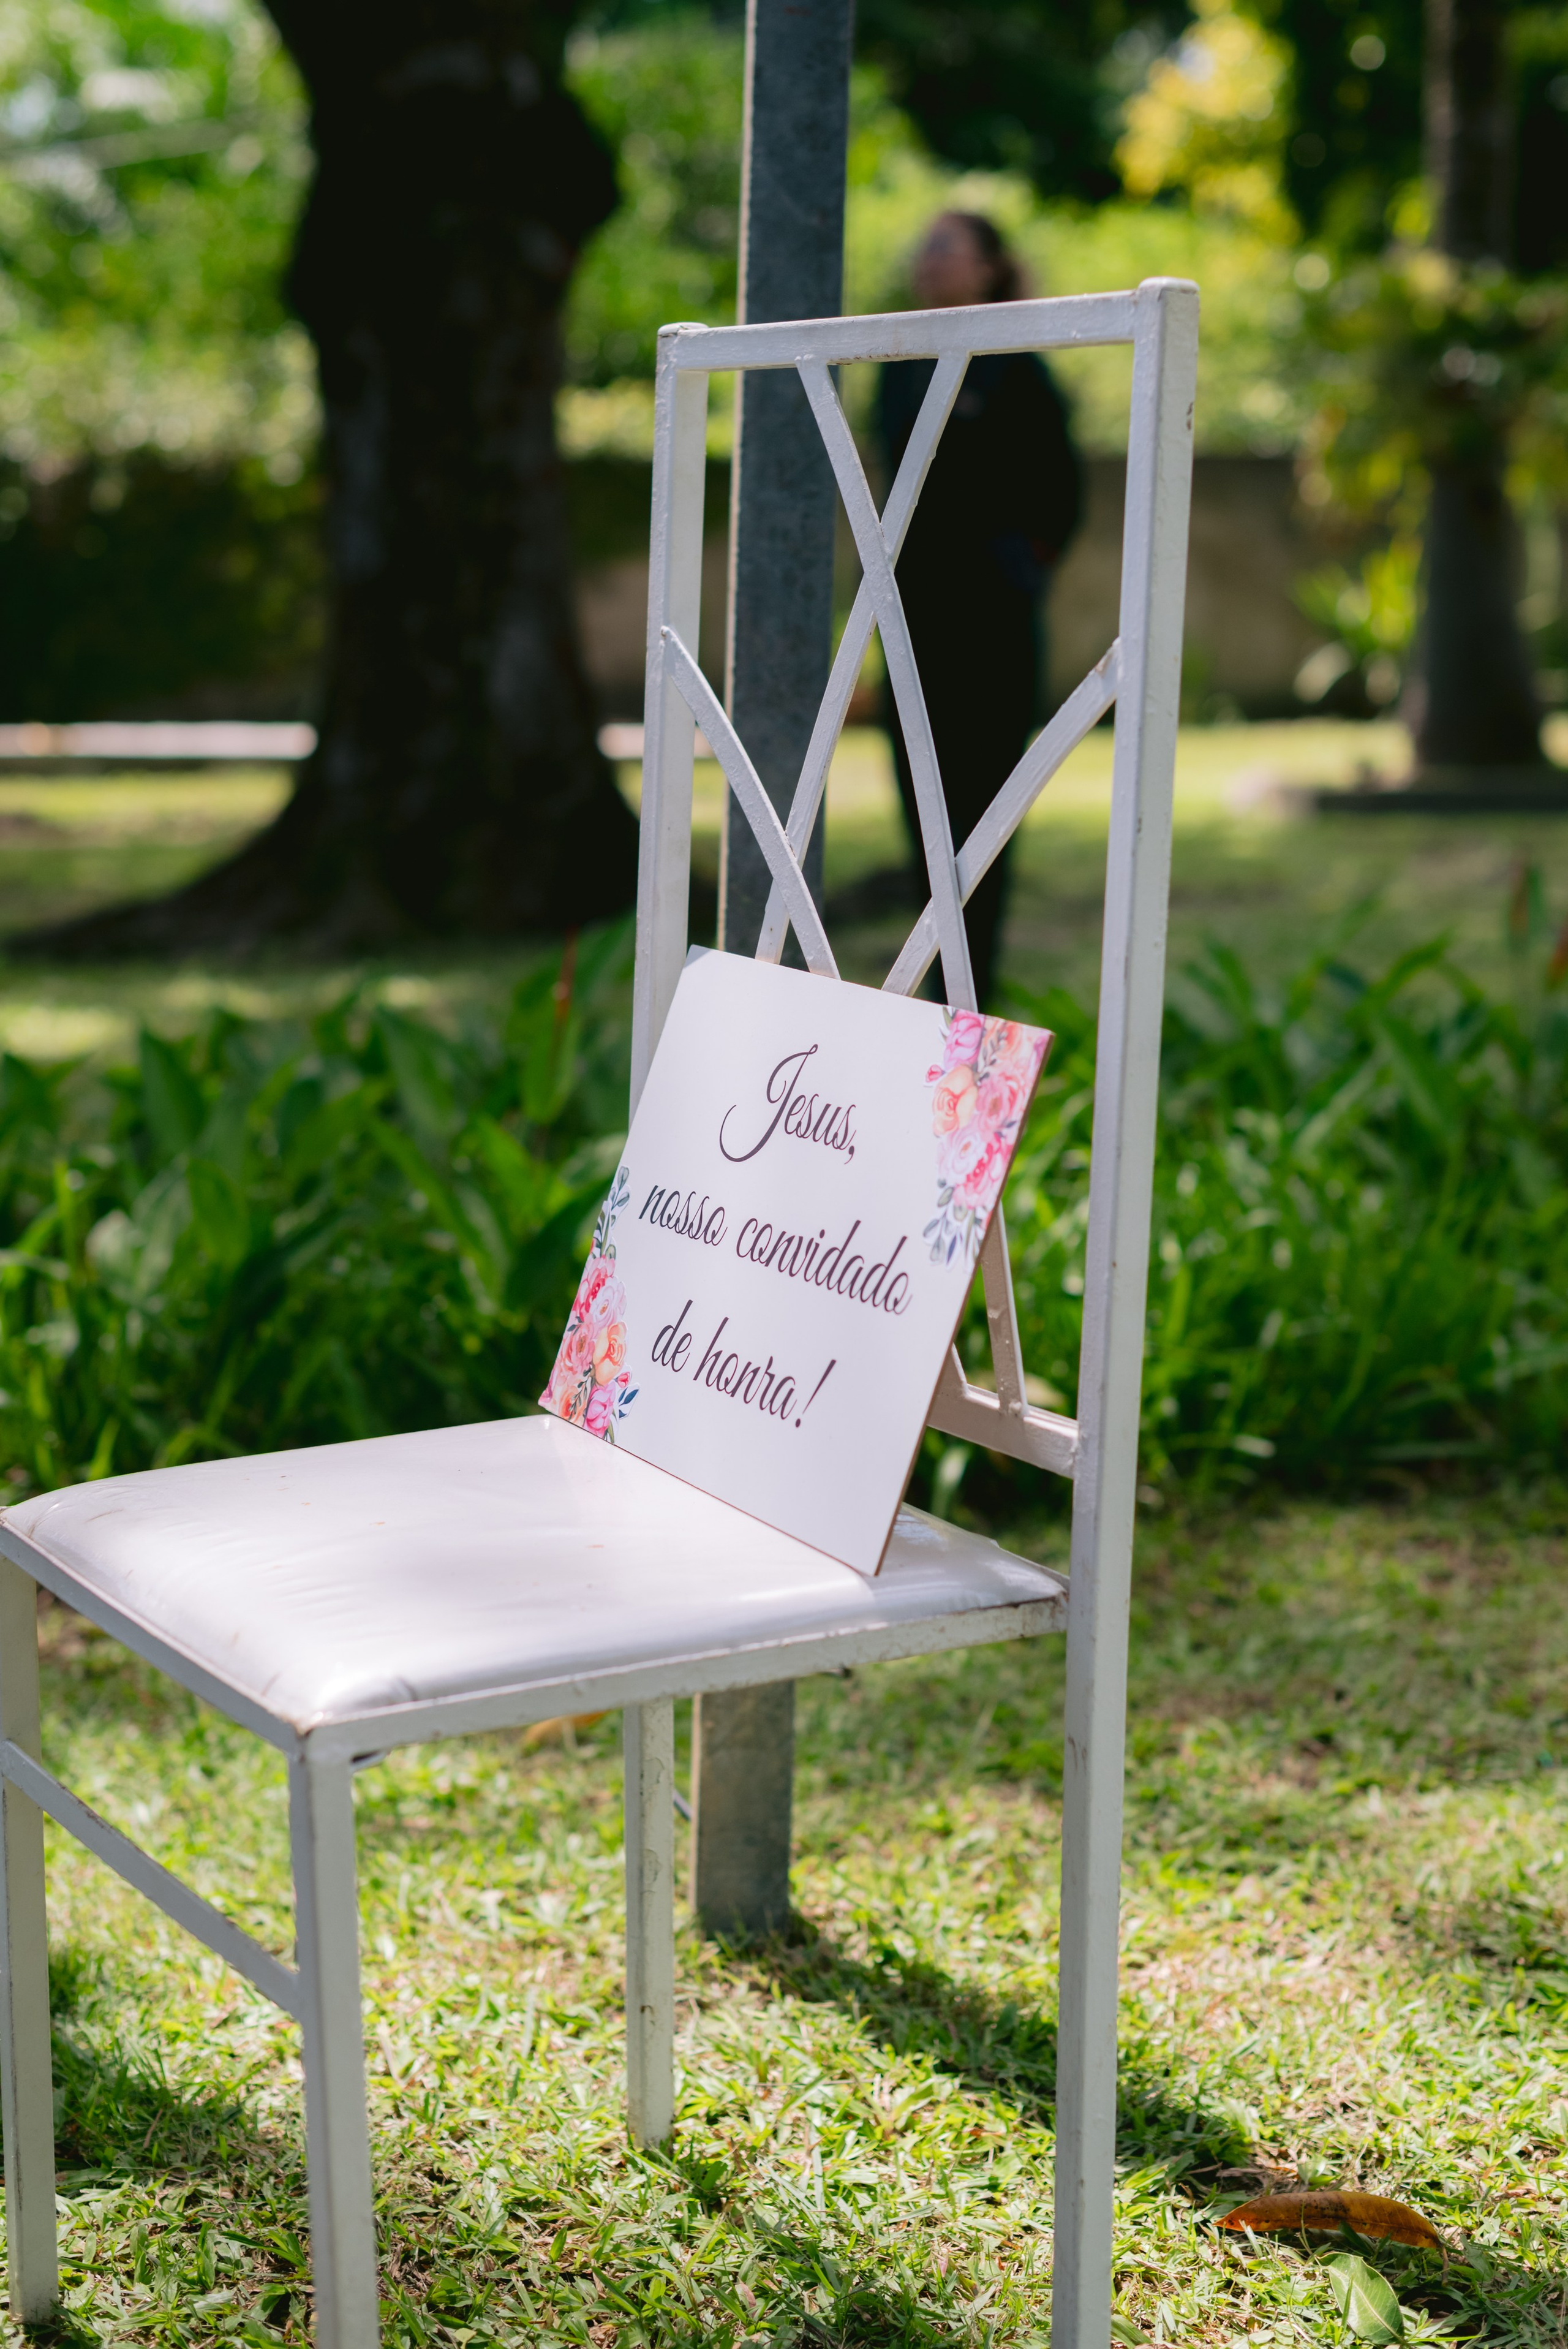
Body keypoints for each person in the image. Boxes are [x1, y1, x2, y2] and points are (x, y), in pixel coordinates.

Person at [878, 212, 1083, 1008]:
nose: (927, 261)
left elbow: (1061, 495)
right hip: (912, 627)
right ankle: (935, 995)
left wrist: (1015, 570)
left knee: (984, 822)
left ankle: (972, 1001)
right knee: (921, 814)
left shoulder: (1019, 369)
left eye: (945, 248)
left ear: (991, 268)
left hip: (993, 635)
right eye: (922, 247)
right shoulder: (896, 365)